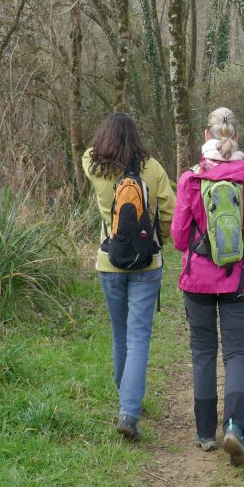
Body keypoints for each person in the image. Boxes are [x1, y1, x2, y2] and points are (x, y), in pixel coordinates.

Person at [172, 107, 244, 466]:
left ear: (206, 135)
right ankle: (234, 428)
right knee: (236, 353)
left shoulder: (191, 179)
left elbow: (179, 239)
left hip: (197, 281)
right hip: (238, 279)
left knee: (203, 351)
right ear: (236, 137)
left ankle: (205, 433)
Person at [83, 113, 175, 442]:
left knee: (120, 334)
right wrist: (159, 239)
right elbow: (170, 212)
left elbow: (88, 153)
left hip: (109, 262)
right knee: (138, 337)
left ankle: (126, 401)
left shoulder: (94, 166)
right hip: (146, 264)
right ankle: (129, 411)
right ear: (137, 137)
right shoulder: (153, 169)